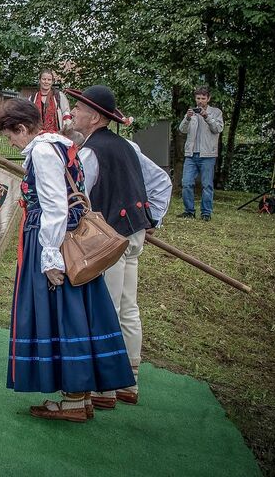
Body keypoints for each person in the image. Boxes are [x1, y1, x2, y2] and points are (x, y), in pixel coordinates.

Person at [0, 97, 134, 423]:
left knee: (61, 315)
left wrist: (50, 256)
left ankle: (73, 399)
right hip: (65, 240)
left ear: (22, 127)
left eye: (10, 135)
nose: (11, 142)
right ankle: (79, 395)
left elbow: (55, 206)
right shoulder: (60, 146)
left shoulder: (43, 152)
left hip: (55, 242)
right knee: (74, 316)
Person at [66, 85, 172, 410]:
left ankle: (107, 388)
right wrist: (151, 218)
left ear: (95, 117)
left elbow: (78, 197)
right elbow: (162, 182)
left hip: (107, 241)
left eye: (79, 108)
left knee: (106, 308)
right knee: (128, 307)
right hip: (132, 235)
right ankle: (129, 381)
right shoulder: (129, 146)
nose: (73, 112)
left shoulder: (90, 154)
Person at [178, 85, 224, 220]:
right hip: (191, 155)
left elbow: (218, 129)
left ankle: (206, 213)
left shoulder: (216, 112)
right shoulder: (191, 112)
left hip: (208, 155)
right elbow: (182, 130)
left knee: (207, 185)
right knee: (186, 183)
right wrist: (187, 118)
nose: (200, 101)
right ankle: (189, 211)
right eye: (198, 98)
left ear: (208, 99)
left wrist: (206, 116)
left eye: (203, 98)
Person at [27, 68, 72, 134]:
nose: (46, 82)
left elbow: (66, 113)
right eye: (44, 79)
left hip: (56, 135)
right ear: (39, 80)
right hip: (37, 135)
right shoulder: (32, 98)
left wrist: (65, 131)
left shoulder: (59, 96)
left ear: (52, 82)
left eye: (49, 80)